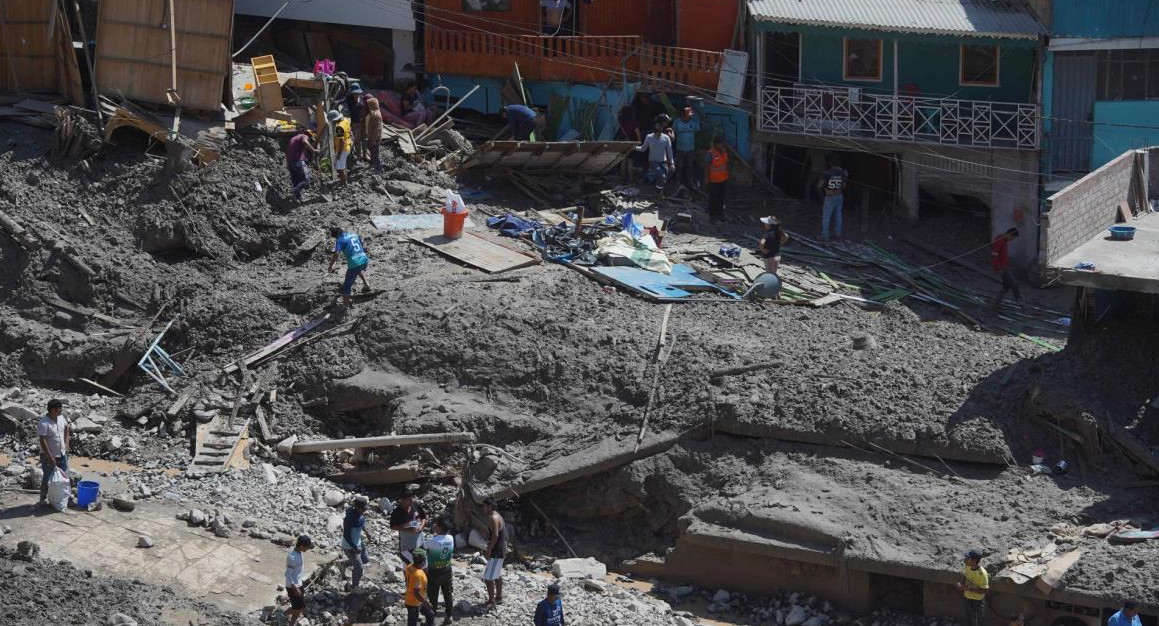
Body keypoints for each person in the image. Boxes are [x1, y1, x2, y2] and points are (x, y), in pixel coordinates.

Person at [37, 398, 70, 508]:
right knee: (48, 476)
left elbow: (66, 428)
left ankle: (63, 496)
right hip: (48, 455)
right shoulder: (44, 423)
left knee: (64, 475)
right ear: (52, 410)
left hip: (61, 453)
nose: (61, 411)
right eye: (59, 409)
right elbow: (43, 441)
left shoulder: (61, 418)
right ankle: (43, 498)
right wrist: (50, 457)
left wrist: (66, 443)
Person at [327, 226, 371, 308]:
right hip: (364, 260)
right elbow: (361, 243)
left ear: (336, 235)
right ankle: (366, 284)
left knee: (346, 286)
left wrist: (331, 265)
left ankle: (345, 305)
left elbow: (336, 253)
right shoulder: (353, 235)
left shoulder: (339, 240)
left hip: (354, 264)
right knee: (359, 268)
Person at [423, 518, 456, 625]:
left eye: (436, 525)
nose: (434, 527)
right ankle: (449, 615)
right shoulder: (450, 538)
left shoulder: (432, 541)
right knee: (447, 594)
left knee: (433, 596)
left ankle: (431, 618)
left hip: (434, 572)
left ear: (440, 527)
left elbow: (423, 548)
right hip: (446, 569)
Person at [390, 485, 428, 564]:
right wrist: (407, 529)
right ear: (402, 500)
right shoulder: (396, 513)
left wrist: (421, 526)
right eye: (409, 499)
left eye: (412, 498)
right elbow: (392, 526)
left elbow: (423, 517)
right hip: (406, 545)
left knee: (422, 565)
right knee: (408, 566)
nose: (411, 501)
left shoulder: (416, 506)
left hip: (420, 543)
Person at [340, 496, 372, 590]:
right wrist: (354, 547)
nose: (365, 511)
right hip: (349, 546)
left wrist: (367, 532)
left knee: (365, 559)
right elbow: (346, 535)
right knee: (359, 568)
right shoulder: (350, 518)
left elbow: (361, 522)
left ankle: (344, 564)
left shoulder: (360, 513)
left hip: (358, 541)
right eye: (363, 509)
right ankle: (354, 586)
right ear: (357, 507)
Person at [482, 497, 507, 608]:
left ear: (490, 507)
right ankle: (499, 597)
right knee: (497, 574)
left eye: (484, 506)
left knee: (488, 578)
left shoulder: (493, 518)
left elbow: (495, 535)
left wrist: (489, 550)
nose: (483, 508)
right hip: (500, 550)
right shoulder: (498, 516)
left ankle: (492, 601)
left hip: (496, 551)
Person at [634, 123, 674, 191]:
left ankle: (659, 189)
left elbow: (669, 151)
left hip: (663, 161)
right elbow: (643, 148)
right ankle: (659, 190)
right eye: (657, 133)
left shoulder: (666, 138)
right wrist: (634, 147)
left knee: (665, 177)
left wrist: (672, 163)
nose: (658, 135)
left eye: (659, 133)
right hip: (653, 161)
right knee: (660, 174)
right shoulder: (649, 137)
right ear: (654, 132)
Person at [285, 534, 313, 626]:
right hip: (292, 586)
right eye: (307, 547)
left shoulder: (299, 552)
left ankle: (291, 624)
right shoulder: (292, 557)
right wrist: (295, 588)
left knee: (297, 610)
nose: (308, 549)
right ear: (301, 546)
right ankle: (281, 613)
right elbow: (287, 574)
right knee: (300, 609)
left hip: (298, 584)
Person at [817, 155, 847, 240]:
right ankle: (838, 234)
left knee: (826, 216)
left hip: (830, 197)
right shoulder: (843, 173)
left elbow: (819, 185)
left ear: (830, 163)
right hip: (839, 196)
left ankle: (825, 235)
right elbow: (844, 186)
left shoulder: (826, 173)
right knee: (838, 216)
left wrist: (825, 190)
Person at [990, 228, 1022, 309]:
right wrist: (998, 268)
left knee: (1006, 286)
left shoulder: (1004, 241)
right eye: (1012, 238)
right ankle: (1020, 302)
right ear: (1009, 234)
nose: (1012, 240)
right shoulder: (999, 241)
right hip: (1002, 268)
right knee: (1014, 284)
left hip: (1005, 266)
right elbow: (994, 256)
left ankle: (995, 302)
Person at [956, 549, 989, 626]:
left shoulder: (982, 574)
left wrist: (969, 589)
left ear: (974, 560)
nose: (966, 559)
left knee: (977, 623)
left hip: (977, 602)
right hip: (967, 598)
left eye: (968, 558)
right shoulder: (967, 566)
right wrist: (961, 584)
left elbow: (985, 591)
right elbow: (965, 577)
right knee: (967, 621)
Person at [672, 107, 701, 191]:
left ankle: (689, 182)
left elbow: (698, 132)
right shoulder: (677, 122)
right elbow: (673, 133)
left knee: (690, 166)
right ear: (685, 114)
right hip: (680, 148)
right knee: (679, 166)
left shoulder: (694, 123)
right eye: (689, 114)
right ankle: (678, 182)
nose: (691, 116)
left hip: (691, 149)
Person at [286, 128, 318, 201]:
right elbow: (305, 142)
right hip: (298, 161)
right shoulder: (304, 136)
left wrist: (288, 164)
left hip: (291, 163)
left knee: (296, 181)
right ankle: (293, 191)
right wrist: (314, 150)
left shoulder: (294, 138)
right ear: (309, 135)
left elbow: (287, 152)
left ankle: (297, 198)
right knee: (306, 181)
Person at [705, 137, 729, 221]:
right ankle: (712, 215)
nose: (722, 145)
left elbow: (726, 164)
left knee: (721, 198)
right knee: (713, 198)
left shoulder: (724, 151)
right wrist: (707, 178)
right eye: (721, 143)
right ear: (716, 144)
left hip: (723, 180)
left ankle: (720, 214)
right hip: (714, 180)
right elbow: (707, 167)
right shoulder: (710, 153)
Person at [328, 110, 352, 185]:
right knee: (341, 165)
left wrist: (339, 153)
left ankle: (344, 182)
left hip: (342, 149)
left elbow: (341, 141)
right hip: (347, 145)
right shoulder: (345, 120)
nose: (332, 122)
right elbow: (350, 132)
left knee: (340, 167)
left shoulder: (339, 127)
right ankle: (344, 179)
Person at [346, 83, 366, 163]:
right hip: (353, 122)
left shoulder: (361, 99)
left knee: (361, 140)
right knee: (354, 140)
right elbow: (343, 100)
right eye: (355, 93)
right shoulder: (349, 99)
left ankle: (362, 156)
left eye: (357, 93)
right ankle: (356, 156)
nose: (356, 95)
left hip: (361, 122)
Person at [364, 96, 384, 174]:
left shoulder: (376, 115)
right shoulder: (374, 113)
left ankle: (378, 169)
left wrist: (373, 140)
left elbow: (376, 129)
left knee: (375, 154)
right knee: (373, 152)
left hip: (374, 138)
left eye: (369, 105)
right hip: (372, 137)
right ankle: (372, 165)